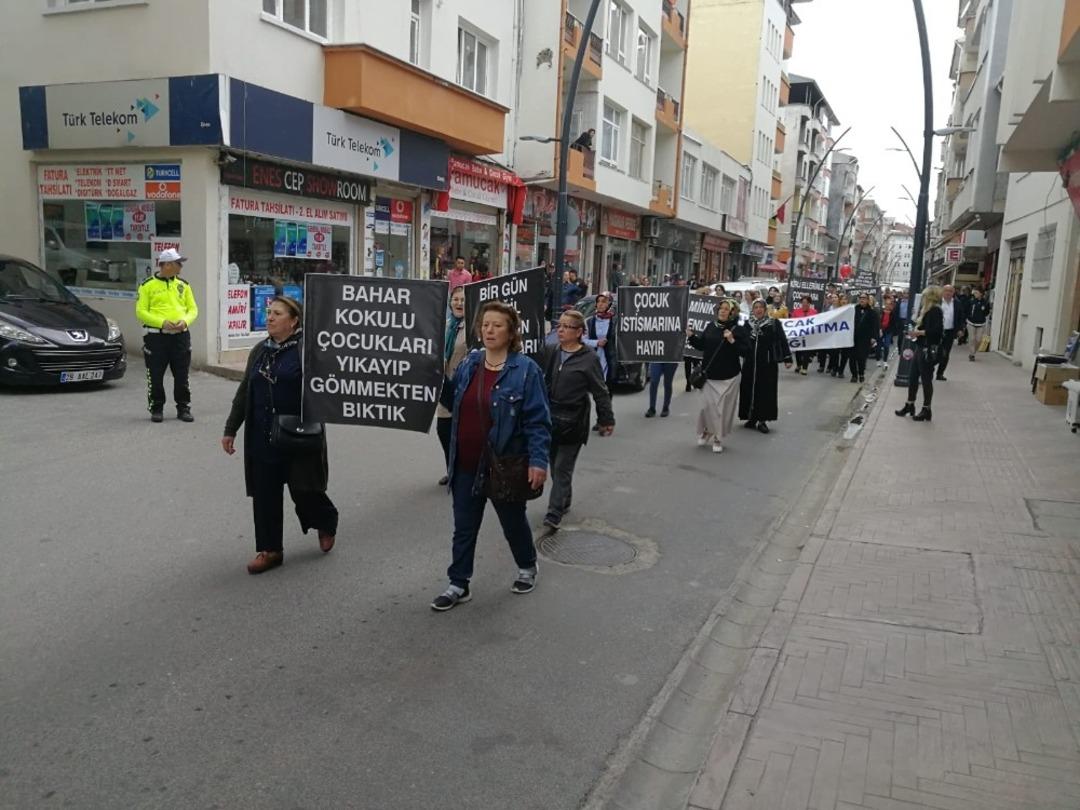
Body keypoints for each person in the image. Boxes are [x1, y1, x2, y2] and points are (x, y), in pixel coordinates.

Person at [431, 301, 551, 611]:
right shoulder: (471, 364)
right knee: (464, 527)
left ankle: (527, 566)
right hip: (466, 463)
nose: (489, 330)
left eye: (497, 325)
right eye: (485, 325)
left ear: (511, 333)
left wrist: (538, 461)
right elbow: (453, 399)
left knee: (512, 521)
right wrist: (436, 377)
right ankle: (458, 583)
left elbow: (538, 421)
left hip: (503, 465)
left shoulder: (526, 371)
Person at [222, 297, 338, 574]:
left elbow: (328, 387)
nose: (269, 318)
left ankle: (325, 520)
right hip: (263, 435)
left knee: (304, 490)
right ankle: (270, 550)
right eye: (268, 312)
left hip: (298, 435)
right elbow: (244, 392)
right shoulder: (260, 350)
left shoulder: (307, 350)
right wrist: (230, 429)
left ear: (294, 320)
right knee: (265, 494)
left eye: (277, 313)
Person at [541, 310, 615, 531]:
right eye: (559, 326)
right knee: (555, 466)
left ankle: (554, 512)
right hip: (551, 418)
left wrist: (606, 419)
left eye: (567, 327)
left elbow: (600, 391)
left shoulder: (589, 358)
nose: (560, 330)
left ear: (580, 332)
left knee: (563, 466)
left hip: (574, 420)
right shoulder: (553, 351)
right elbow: (545, 380)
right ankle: (565, 500)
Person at [136, 248, 199, 423]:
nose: (181, 266)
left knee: (182, 375)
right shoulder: (147, 285)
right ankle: (156, 408)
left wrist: (185, 321)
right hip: (156, 337)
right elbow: (141, 312)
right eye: (179, 263)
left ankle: (183, 407)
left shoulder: (184, 285)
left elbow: (193, 309)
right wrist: (161, 322)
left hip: (180, 337)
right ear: (168, 265)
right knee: (155, 375)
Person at [687, 299, 746, 453]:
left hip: (729, 377)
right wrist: (692, 336)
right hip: (709, 376)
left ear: (732, 312)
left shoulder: (737, 329)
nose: (723, 311)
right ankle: (707, 430)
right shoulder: (711, 326)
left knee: (721, 410)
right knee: (705, 408)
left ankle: (718, 437)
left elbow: (745, 351)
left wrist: (732, 340)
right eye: (721, 308)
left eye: (727, 309)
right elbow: (702, 345)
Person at [738, 299, 793, 433]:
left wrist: (787, 358)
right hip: (750, 364)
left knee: (765, 391)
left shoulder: (773, 323)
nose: (758, 310)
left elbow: (782, 340)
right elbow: (740, 343)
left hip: (767, 364)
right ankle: (751, 417)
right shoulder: (747, 325)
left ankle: (762, 420)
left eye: (760, 307)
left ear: (765, 309)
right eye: (755, 307)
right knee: (748, 389)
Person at [435, 286, 470, 486]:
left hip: (464, 387)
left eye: (463, 300)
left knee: (463, 434)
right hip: (444, 385)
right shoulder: (446, 324)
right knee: (443, 430)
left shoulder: (473, 327)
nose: (459, 303)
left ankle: (463, 472)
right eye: (456, 299)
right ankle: (452, 468)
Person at [895, 286, 943, 423]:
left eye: (924, 296)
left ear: (929, 298)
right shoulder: (926, 310)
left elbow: (937, 331)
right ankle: (910, 404)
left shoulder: (935, 311)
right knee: (913, 377)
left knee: (926, 379)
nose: (922, 299)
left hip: (927, 348)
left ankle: (926, 409)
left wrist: (920, 332)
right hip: (920, 346)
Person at [583, 291, 616, 385]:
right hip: (593, 359)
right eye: (598, 301)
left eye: (604, 301)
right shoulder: (589, 322)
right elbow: (582, 340)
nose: (600, 304)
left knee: (608, 389)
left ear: (609, 304)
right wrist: (596, 343)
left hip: (609, 360)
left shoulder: (615, 322)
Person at [850, 293, 879, 383]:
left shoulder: (872, 312)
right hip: (853, 337)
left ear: (867, 300)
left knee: (861, 358)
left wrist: (874, 337)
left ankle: (861, 373)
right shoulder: (854, 309)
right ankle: (854, 375)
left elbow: (875, 325)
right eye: (860, 298)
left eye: (864, 298)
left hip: (865, 338)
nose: (862, 300)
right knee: (852, 357)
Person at [937, 284, 962, 381]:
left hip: (950, 332)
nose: (948, 293)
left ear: (953, 292)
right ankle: (930, 370)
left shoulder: (957, 303)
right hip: (937, 331)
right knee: (935, 351)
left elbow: (960, 317)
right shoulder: (938, 302)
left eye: (950, 291)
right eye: (946, 290)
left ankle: (940, 373)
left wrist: (960, 329)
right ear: (942, 292)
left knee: (945, 354)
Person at [790, 294, 817, 375]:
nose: (805, 304)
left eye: (807, 302)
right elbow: (792, 322)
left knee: (806, 352)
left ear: (809, 303)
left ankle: (804, 368)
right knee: (798, 352)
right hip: (798, 335)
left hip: (808, 335)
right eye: (803, 302)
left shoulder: (814, 312)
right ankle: (799, 365)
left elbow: (816, 322)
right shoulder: (796, 311)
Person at [966, 286, 991, 361]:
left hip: (981, 323)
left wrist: (981, 316)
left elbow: (987, 312)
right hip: (971, 322)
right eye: (975, 292)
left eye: (977, 292)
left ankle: (973, 351)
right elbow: (967, 310)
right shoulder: (971, 301)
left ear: (981, 293)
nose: (975, 294)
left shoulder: (985, 303)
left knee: (978, 339)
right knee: (972, 339)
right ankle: (972, 354)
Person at [876, 295, 902, 367]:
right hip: (880, 330)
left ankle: (885, 361)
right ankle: (878, 360)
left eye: (889, 304)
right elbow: (878, 321)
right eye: (886, 304)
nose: (888, 305)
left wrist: (892, 331)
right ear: (885, 304)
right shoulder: (881, 312)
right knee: (878, 346)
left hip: (888, 331)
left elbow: (894, 323)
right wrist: (879, 329)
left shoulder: (893, 313)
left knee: (886, 346)